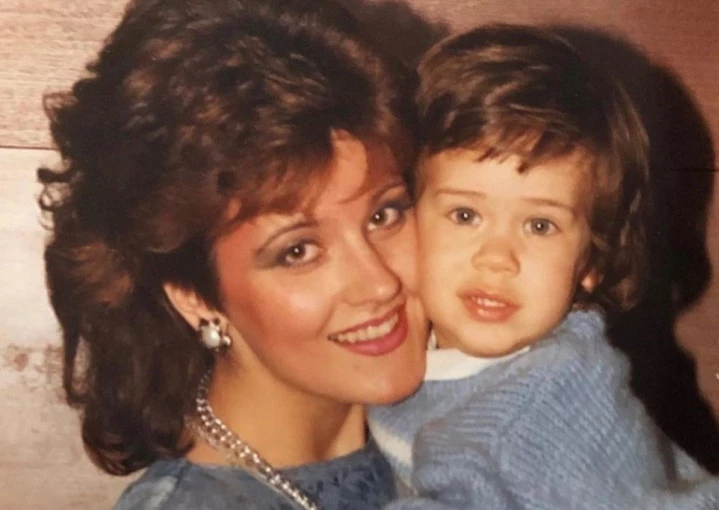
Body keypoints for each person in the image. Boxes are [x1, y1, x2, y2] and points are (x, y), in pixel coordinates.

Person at [38, 0, 430, 508]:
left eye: (385, 215)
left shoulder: (452, 435)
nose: (378, 282)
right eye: (298, 251)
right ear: (194, 296)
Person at [368, 24, 719, 509]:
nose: (497, 259)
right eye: (465, 215)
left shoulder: (551, 398)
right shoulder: (409, 348)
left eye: (540, 226)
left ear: (591, 261)